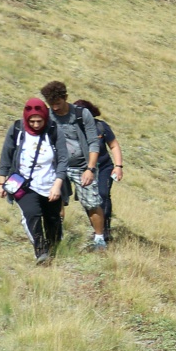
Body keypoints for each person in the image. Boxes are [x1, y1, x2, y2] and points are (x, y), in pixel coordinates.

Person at [0, 97, 68, 263]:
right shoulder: (16, 129)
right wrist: (1, 182)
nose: (36, 125)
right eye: (32, 121)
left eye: (39, 121)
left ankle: (53, 247)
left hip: (50, 184)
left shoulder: (54, 131)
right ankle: (40, 252)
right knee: (32, 214)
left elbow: (63, 159)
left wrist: (57, 185)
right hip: (24, 185)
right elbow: (6, 155)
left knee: (52, 220)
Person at [40, 81, 108, 251]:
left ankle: (99, 239)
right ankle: (56, 238)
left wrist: (90, 169)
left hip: (82, 166)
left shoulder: (81, 114)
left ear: (66, 98)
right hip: (57, 167)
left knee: (91, 203)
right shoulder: (48, 116)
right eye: (51, 104)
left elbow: (93, 143)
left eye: (58, 103)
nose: (54, 108)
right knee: (55, 203)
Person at [71, 100, 122, 241]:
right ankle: (97, 229)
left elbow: (114, 146)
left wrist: (118, 167)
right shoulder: (71, 129)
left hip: (104, 167)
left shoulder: (101, 126)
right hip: (83, 169)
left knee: (103, 195)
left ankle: (105, 231)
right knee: (89, 201)